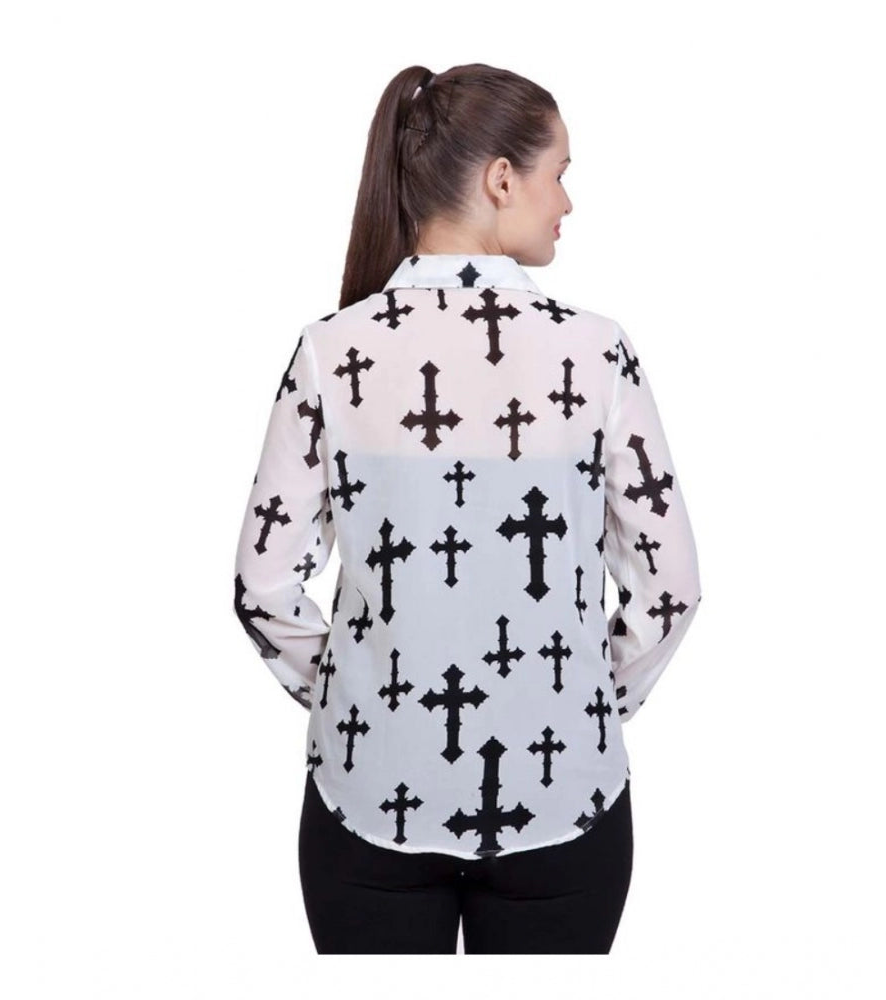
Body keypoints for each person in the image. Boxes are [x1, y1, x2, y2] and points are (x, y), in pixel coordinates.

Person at [232, 62, 702, 954]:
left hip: (366, 797)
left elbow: (263, 590)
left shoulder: (332, 351)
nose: (568, 202)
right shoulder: (596, 354)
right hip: (567, 806)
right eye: (559, 172)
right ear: (501, 179)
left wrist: (361, 703)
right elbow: (670, 588)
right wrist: (579, 706)